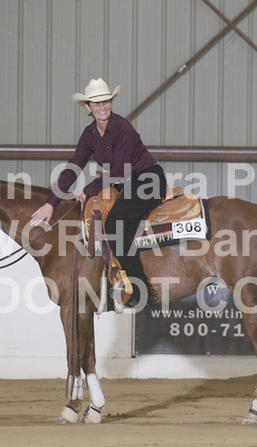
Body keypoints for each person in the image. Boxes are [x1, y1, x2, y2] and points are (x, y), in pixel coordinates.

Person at [30, 78, 166, 305]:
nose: (102, 107)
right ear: (88, 107)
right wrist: (51, 202)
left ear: (110, 103)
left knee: (115, 222)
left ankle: (140, 289)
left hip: (147, 180)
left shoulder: (122, 128)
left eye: (106, 102)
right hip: (124, 184)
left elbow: (120, 170)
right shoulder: (90, 134)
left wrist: (88, 189)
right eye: (96, 103)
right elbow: (74, 166)